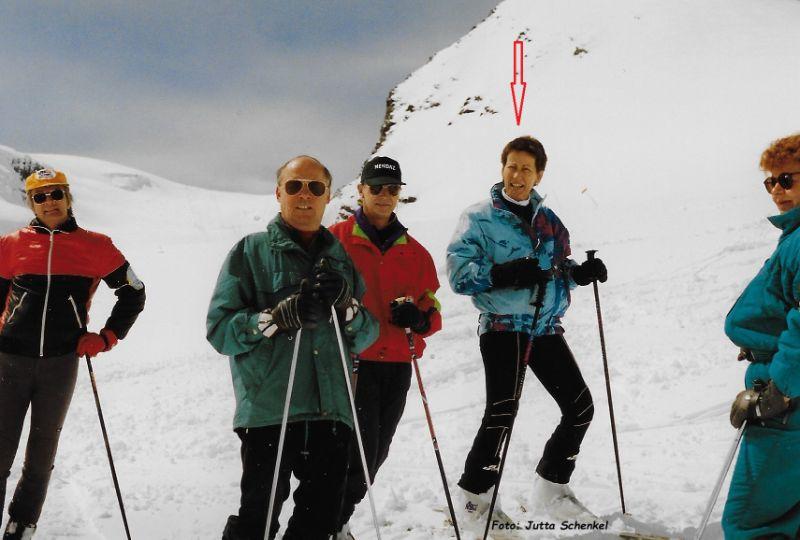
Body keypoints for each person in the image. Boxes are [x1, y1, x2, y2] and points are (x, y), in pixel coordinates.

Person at [206, 155, 379, 540]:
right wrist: (273, 318)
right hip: (270, 408)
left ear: (328, 196)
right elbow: (220, 331)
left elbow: (366, 335)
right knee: (257, 520)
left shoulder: (341, 259)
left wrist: (348, 307)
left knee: (318, 523)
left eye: (315, 187)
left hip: (330, 410)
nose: (305, 196)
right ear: (278, 193)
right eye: (295, 186)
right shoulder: (250, 253)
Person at [446, 136, 607, 529]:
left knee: (580, 407)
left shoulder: (549, 220)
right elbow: (458, 276)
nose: (517, 175)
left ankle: (552, 487)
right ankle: (473, 501)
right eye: (512, 166)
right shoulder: (479, 217)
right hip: (503, 327)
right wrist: (502, 273)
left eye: (526, 169)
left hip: (545, 327)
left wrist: (578, 274)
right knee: (502, 412)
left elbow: (556, 268)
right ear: (502, 168)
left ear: (539, 175)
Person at [0, 169, 146, 539]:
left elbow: (134, 292)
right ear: (30, 202)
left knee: (41, 455)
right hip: (8, 363)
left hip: (60, 365)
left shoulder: (96, 246)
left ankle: (22, 526)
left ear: (68, 198)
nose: (49, 202)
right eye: (40, 196)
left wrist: (108, 336)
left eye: (55, 194)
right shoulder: (11, 244)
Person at [329, 156, 442, 539]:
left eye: (391, 189)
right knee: (352, 453)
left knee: (375, 454)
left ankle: (336, 521)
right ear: (360, 190)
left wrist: (420, 319)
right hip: (352, 363)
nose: (383, 195)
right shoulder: (336, 240)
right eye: (375, 187)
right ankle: (328, 524)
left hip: (396, 364)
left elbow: (433, 310)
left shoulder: (415, 251)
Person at [723, 133, 800, 539]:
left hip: (786, 404)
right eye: (770, 182)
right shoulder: (795, 235)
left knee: (749, 523)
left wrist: (778, 393)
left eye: (786, 180)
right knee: (787, 518)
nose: (776, 191)